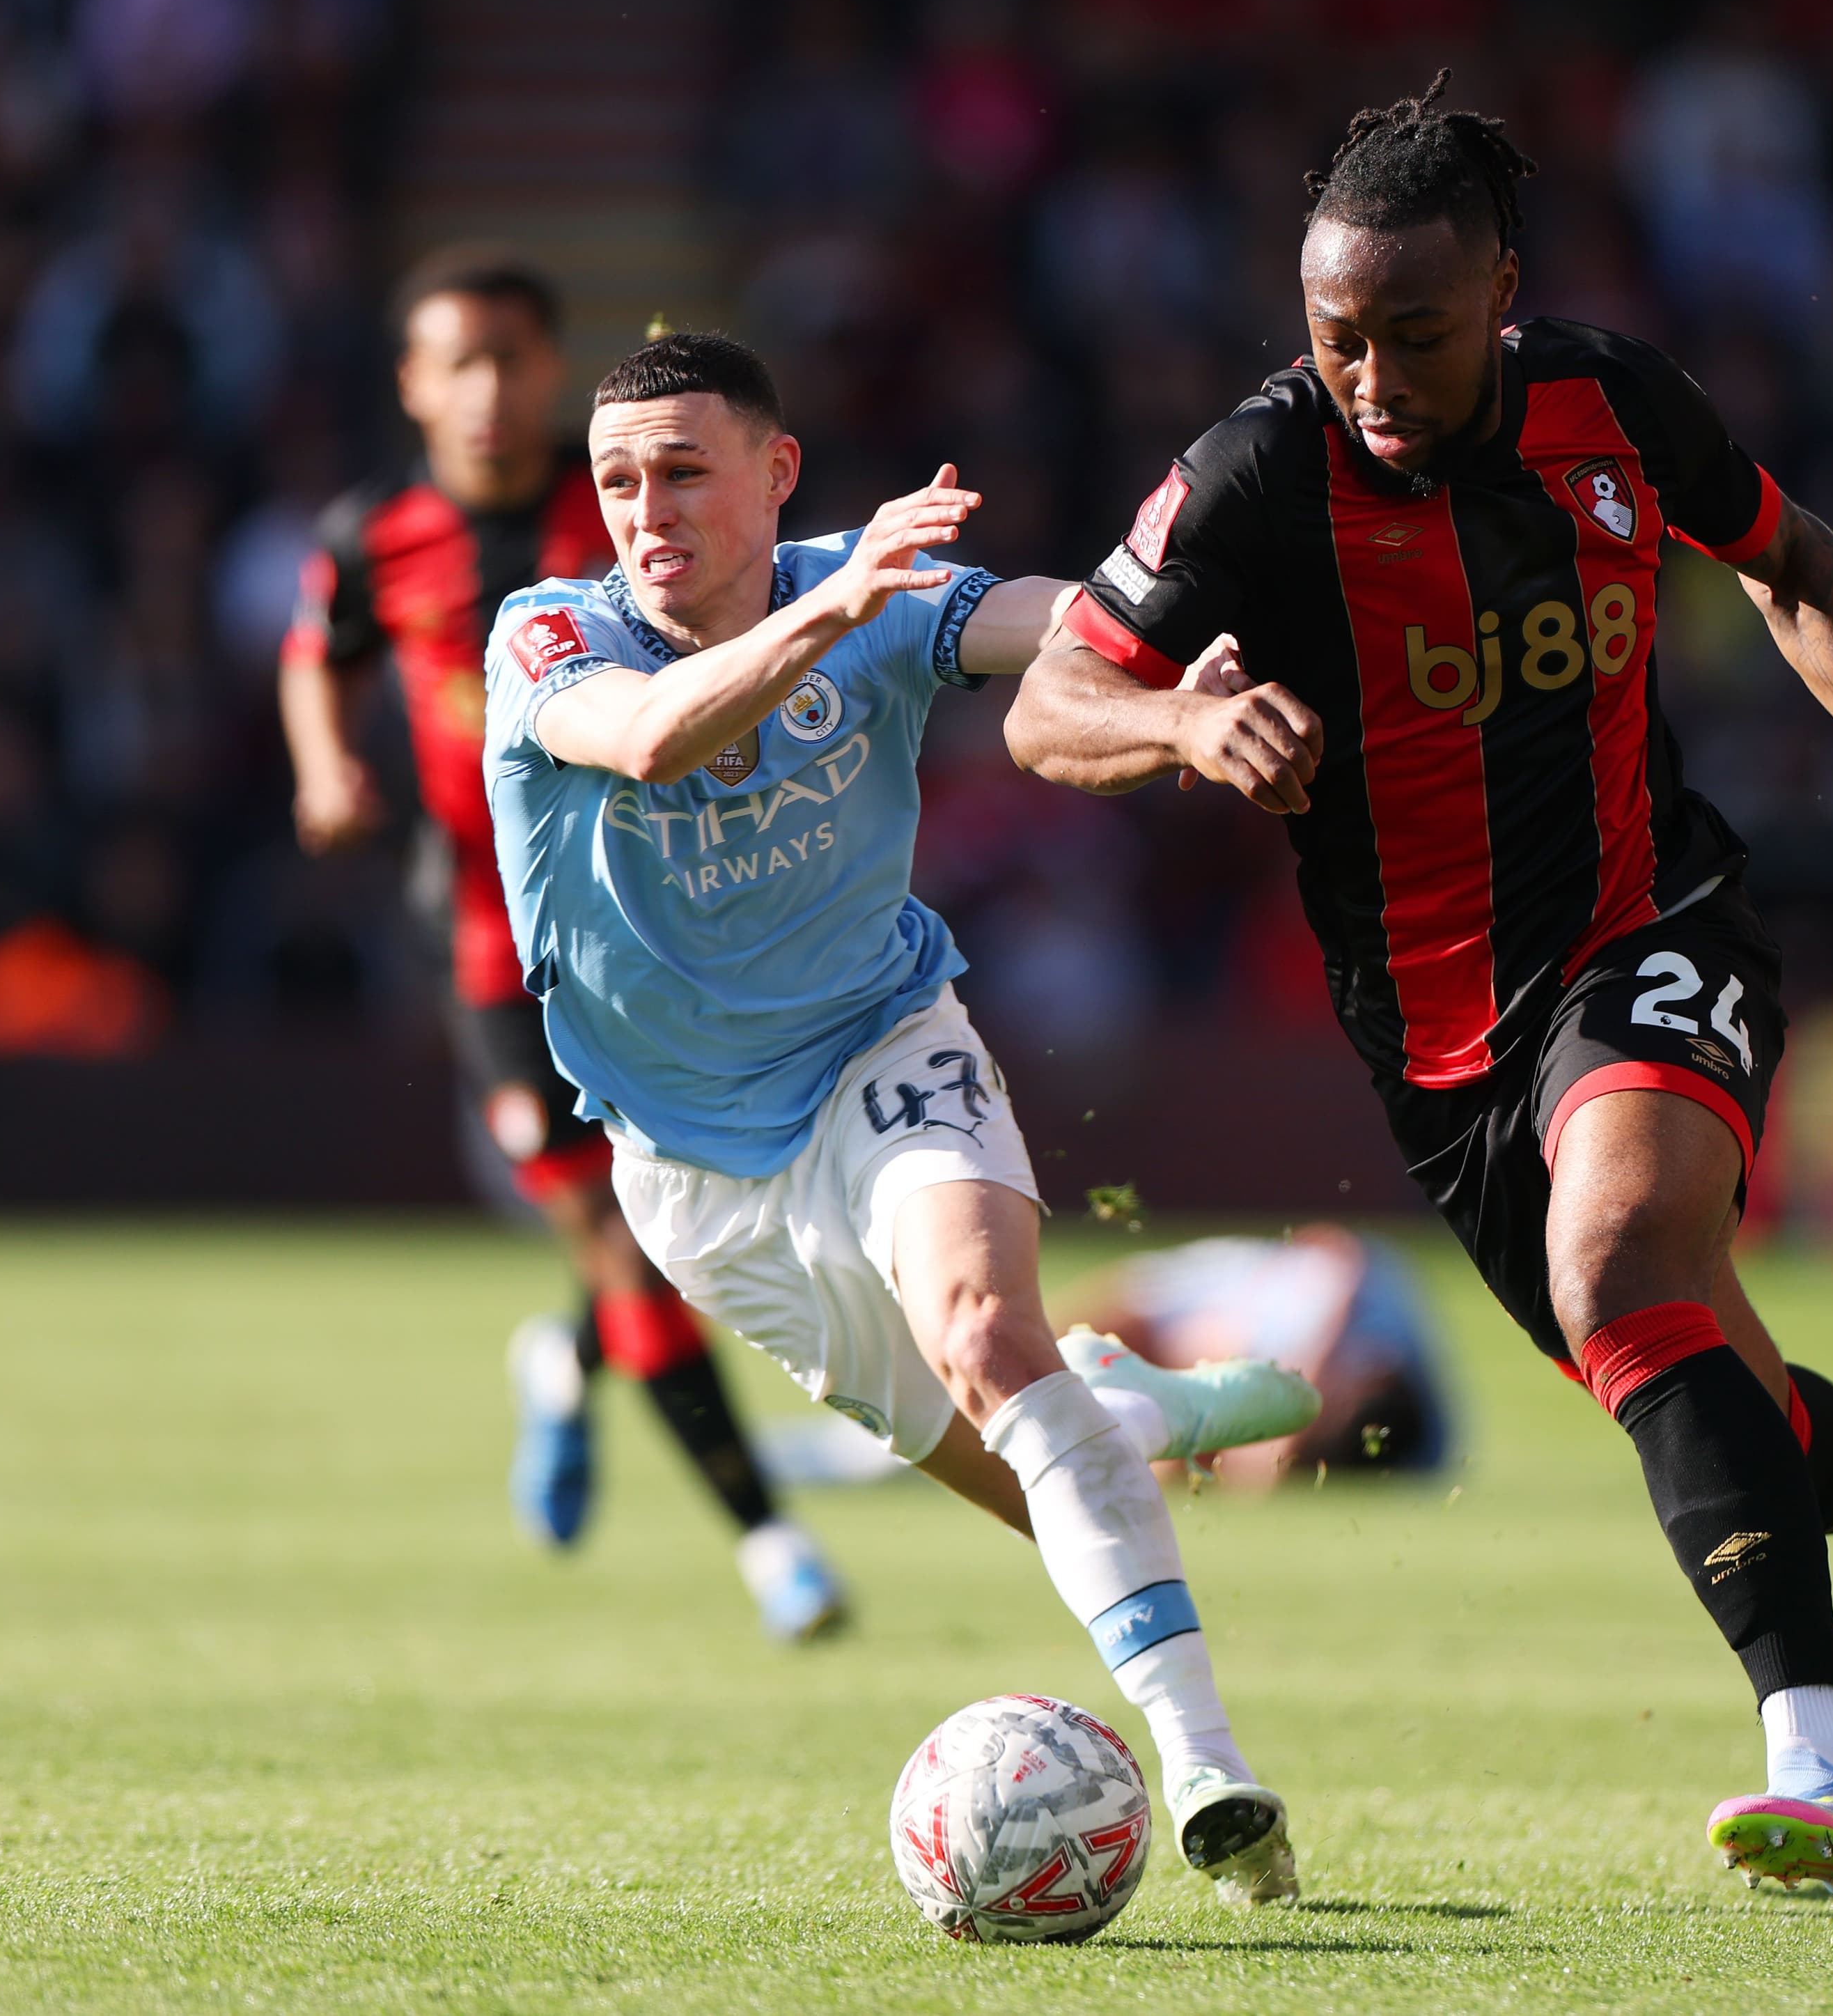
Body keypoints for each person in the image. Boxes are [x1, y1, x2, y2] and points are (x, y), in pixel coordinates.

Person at [1004, 75, 1833, 1907]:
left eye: (1416, 337)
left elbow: (1793, 560)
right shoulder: (1255, 474)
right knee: (1685, 1377)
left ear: (1504, 294)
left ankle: (1827, 1766)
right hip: (1439, 1047)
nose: (1376, 381)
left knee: (1625, 1262)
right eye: (1340, 338)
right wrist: (1175, 715)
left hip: (1661, 922)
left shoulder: (1617, 402)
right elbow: (1045, 703)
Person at [480, 329, 1321, 1907]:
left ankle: (1207, 1764)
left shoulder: (870, 585)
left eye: (681, 471)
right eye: (614, 481)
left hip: (883, 1049)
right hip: (690, 1176)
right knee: (1035, 1470)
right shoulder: (547, 635)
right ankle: (1127, 1410)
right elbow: (653, 738)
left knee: (989, 1341)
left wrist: (1161, 677)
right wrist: (838, 604)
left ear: (775, 472)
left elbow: (1053, 618)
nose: (644, 511)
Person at [279, 249, 841, 1640]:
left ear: (549, 366)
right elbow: (318, 650)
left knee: (703, 1217)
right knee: (612, 1230)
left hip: (656, 914)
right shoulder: (373, 535)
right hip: (488, 948)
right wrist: (324, 767)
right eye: (457, 363)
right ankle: (773, 1543)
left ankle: (569, 1354)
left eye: (514, 358)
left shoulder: (622, 514)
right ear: (414, 384)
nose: (489, 389)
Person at [1054, 1226, 1451, 1488]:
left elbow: (1261, 1464)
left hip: (1219, 1339)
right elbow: (1343, 1250)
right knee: (1055, 1343)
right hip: (1228, 1291)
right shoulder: (1360, 1314)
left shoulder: (1418, 1441)